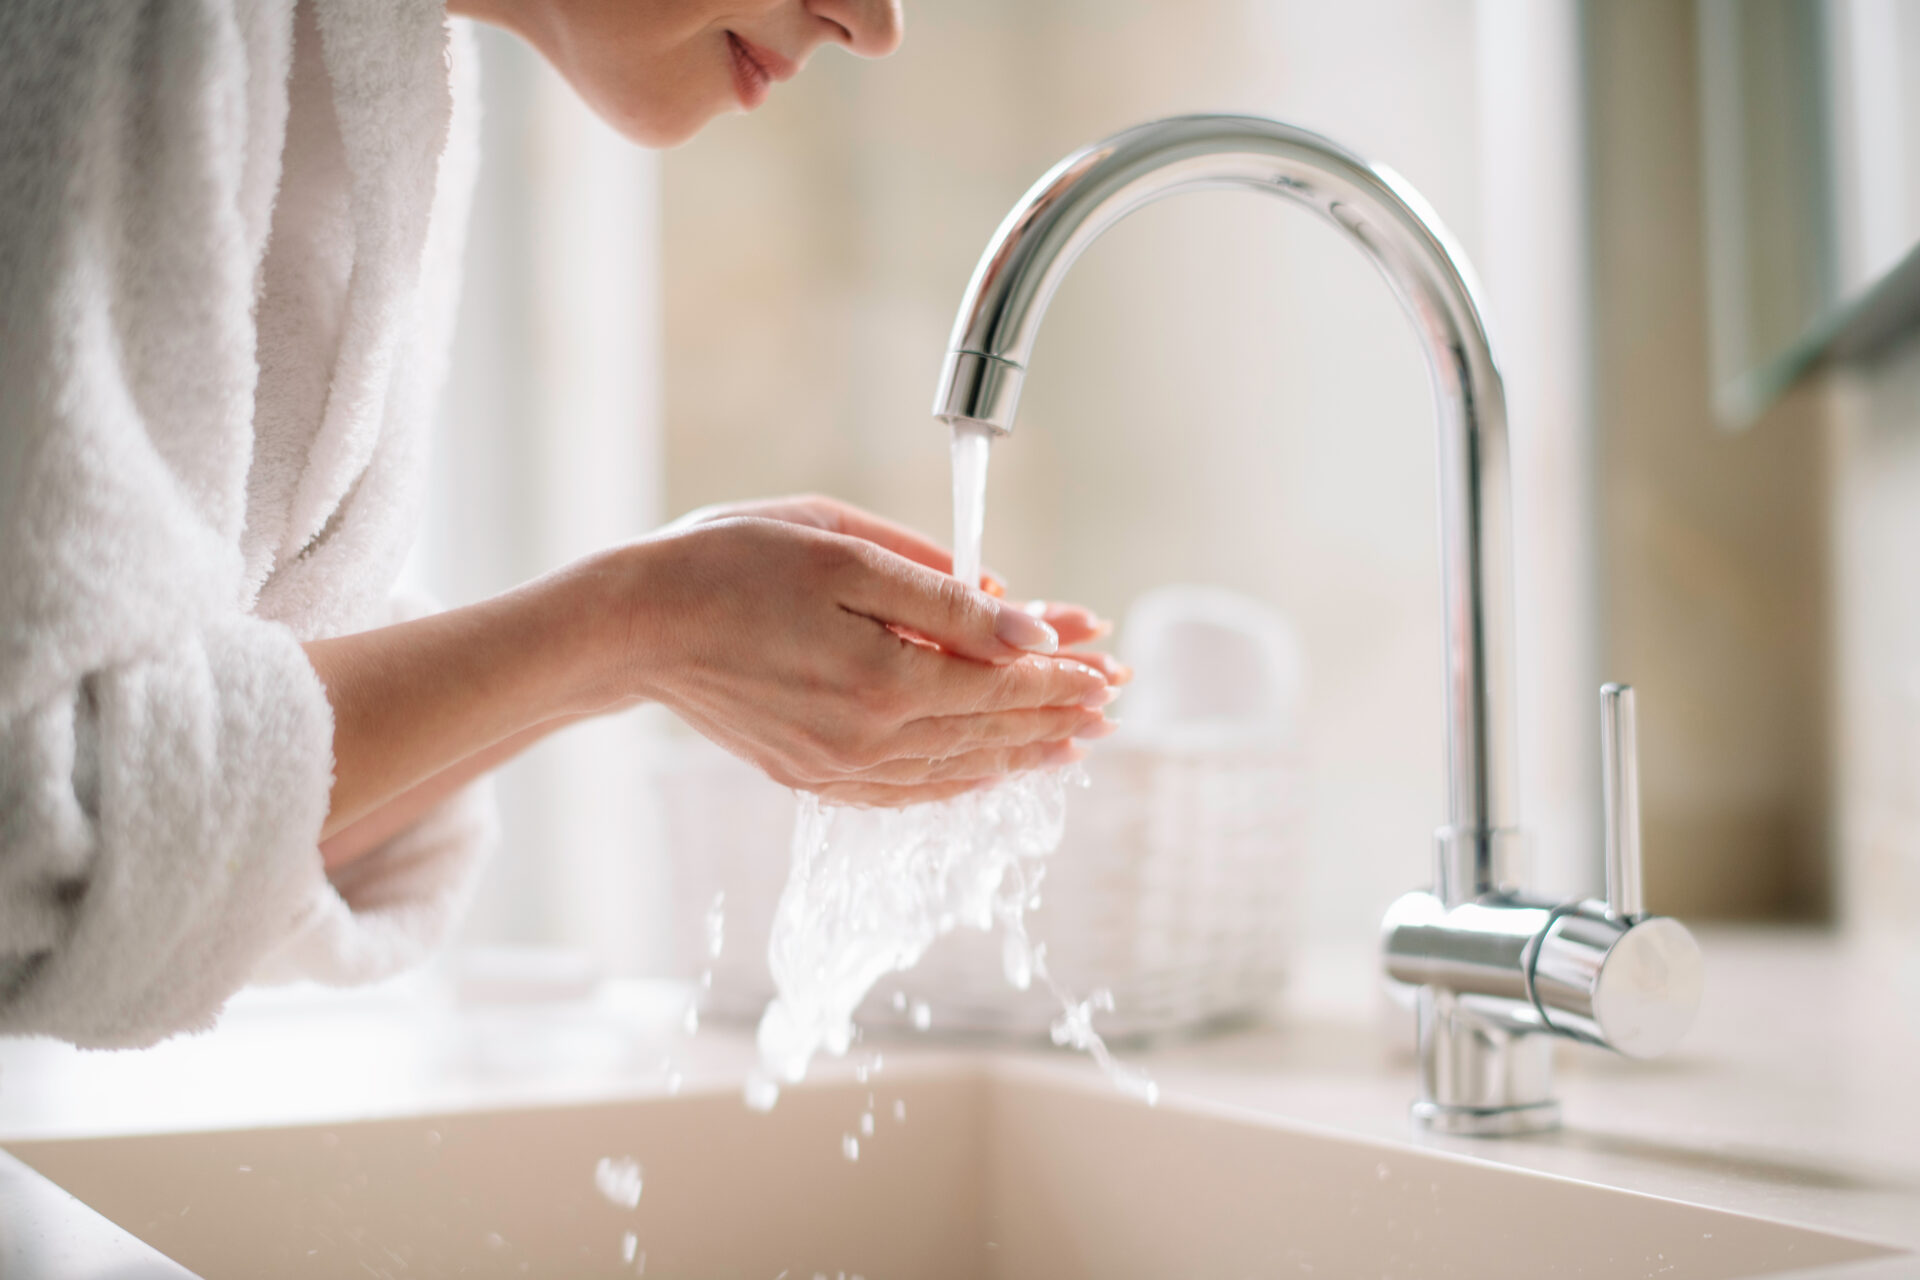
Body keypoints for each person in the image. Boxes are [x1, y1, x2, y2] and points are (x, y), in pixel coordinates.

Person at [0, 0, 1121, 1049]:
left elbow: (181, 839)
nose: (871, 24)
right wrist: (637, 622)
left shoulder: (364, 73)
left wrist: (652, 638)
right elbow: (41, 823)